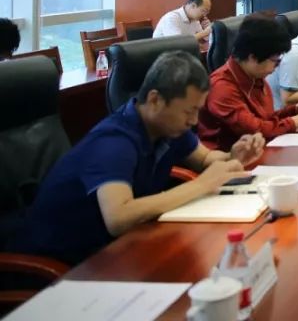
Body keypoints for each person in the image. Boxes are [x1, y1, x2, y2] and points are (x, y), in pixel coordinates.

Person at [7, 52, 259, 266]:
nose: (193, 121)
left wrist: (233, 155)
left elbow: (205, 160)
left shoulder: (169, 127)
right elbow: (118, 217)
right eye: (188, 111)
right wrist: (201, 185)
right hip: (62, 262)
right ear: (155, 100)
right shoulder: (113, 142)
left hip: (117, 250)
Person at [197, 15, 298, 150]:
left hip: (257, 149)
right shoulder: (222, 87)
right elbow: (255, 129)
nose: (276, 67)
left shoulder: (255, 77)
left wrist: (297, 109)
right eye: (275, 61)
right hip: (226, 156)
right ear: (253, 57)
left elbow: (266, 118)